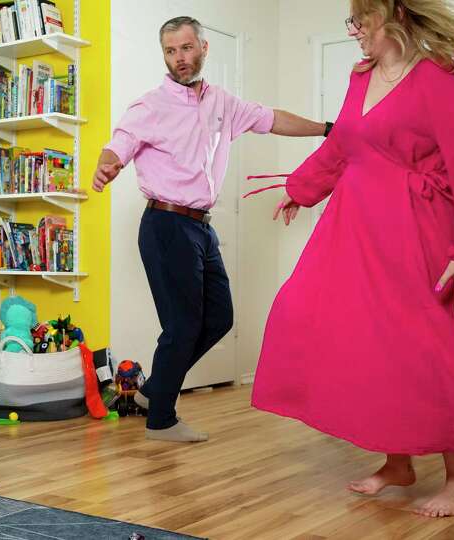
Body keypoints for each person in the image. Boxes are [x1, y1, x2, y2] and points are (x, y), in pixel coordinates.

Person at [250, 0, 454, 518]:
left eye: (360, 20)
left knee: (424, 348)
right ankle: (399, 463)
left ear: (391, 12)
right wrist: (301, 189)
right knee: (344, 330)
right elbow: (345, 146)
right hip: (357, 231)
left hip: (420, 233)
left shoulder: (439, 78)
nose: (354, 32)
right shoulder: (362, 76)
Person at [93, 16, 328, 442]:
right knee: (182, 325)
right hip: (165, 223)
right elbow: (119, 143)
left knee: (219, 318)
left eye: (185, 48)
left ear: (203, 47)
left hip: (201, 226)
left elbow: (271, 118)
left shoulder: (222, 102)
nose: (179, 59)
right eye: (170, 51)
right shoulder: (150, 105)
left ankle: (155, 390)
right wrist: (106, 164)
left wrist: (326, 129)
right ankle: (160, 419)